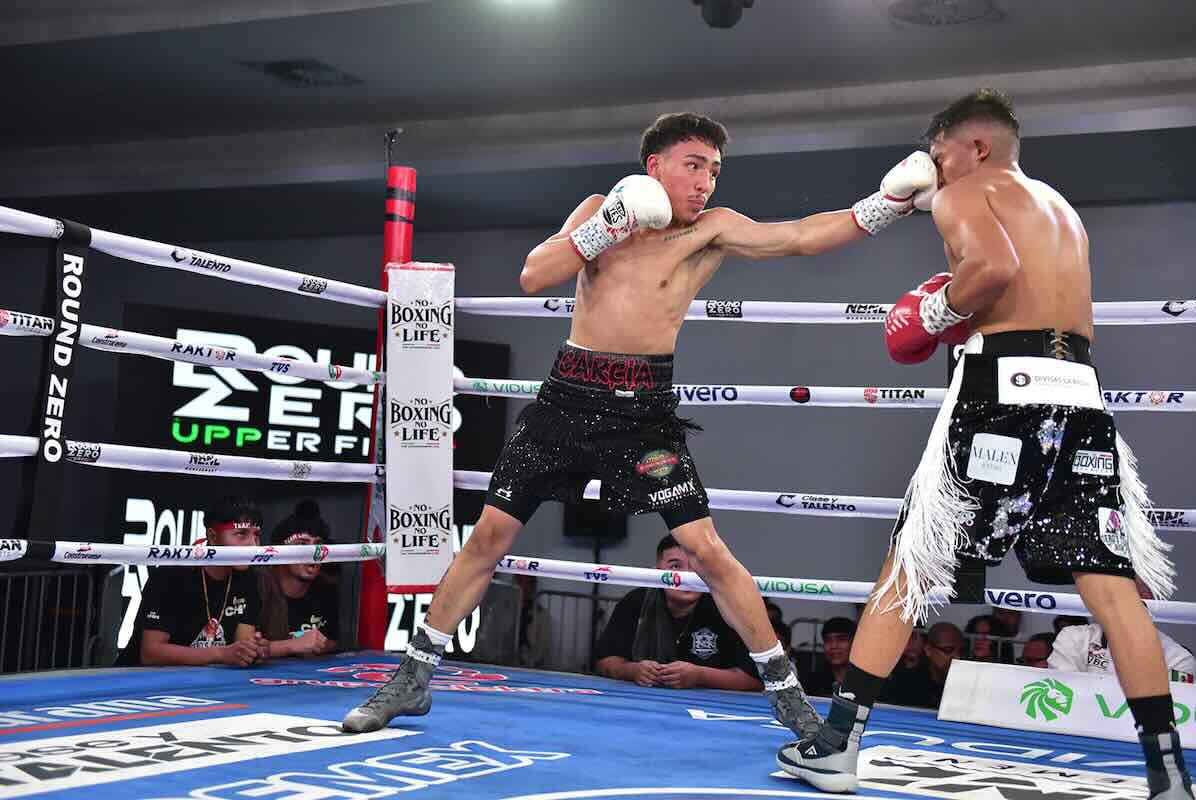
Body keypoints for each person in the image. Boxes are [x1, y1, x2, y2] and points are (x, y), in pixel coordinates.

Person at [342, 111, 937, 735]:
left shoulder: (712, 230)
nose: (705, 181)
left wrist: (884, 205)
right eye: (693, 165)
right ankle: (412, 679)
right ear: (654, 166)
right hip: (567, 400)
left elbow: (797, 237)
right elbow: (533, 274)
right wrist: (605, 227)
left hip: (643, 413)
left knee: (705, 549)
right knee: (489, 535)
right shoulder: (602, 208)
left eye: (713, 169)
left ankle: (789, 697)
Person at [777, 89, 1191, 800]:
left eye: (939, 155)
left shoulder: (967, 192)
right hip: (1082, 402)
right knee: (1115, 593)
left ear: (974, 147)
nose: (934, 171)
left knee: (909, 567)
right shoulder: (1058, 208)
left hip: (1004, 392)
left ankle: (837, 745)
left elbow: (992, 270)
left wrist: (934, 313)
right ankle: (1170, 775)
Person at [594, 535, 761, 691]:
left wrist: (700, 675)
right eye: (675, 566)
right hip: (645, 704)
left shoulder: (726, 607)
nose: (687, 577)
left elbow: (755, 679)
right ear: (657, 571)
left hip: (712, 708)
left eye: (696, 567)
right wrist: (631, 670)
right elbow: (604, 662)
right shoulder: (635, 601)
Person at [117, 496, 268, 667]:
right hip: (140, 680)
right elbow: (151, 653)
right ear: (213, 536)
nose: (253, 545)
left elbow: (242, 646)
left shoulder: (248, 577)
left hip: (204, 682)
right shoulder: (171, 575)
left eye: (256, 535)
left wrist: (253, 651)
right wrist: (220, 653)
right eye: (241, 534)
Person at [1050, 580, 1196, 683]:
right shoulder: (1073, 638)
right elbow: (1065, 695)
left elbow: (1174, 713)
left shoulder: (1178, 659)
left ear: (1147, 599)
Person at [258, 500, 340, 657]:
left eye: (318, 544)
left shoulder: (325, 588)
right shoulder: (259, 585)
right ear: (280, 551)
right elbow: (244, 649)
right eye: (302, 544)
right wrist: (292, 645)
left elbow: (333, 640)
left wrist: (317, 644)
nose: (313, 553)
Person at [879, 622, 963, 709]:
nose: (957, 656)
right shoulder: (907, 685)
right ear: (928, 650)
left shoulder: (963, 682)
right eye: (948, 650)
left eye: (961, 650)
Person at [797, 618, 856, 697]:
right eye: (828, 640)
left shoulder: (868, 683)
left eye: (842, 639)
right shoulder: (812, 682)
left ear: (854, 643)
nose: (833, 646)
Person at [513, 573, 554, 668]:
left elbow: (542, 648)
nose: (523, 587)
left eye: (528, 584)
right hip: (499, 662)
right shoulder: (500, 609)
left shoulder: (541, 616)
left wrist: (528, 663)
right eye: (519, 582)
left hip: (528, 666)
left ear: (532, 587)